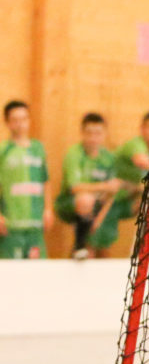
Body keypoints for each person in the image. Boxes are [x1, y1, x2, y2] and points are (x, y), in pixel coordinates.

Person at [56, 112, 127, 259]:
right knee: (85, 200)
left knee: (101, 248)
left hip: (99, 207)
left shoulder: (109, 158)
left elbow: (111, 193)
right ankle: (80, 245)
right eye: (89, 133)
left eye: (98, 133)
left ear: (104, 134)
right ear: (82, 133)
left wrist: (99, 220)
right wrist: (104, 186)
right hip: (69, 203)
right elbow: (75, 187)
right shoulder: (75, 153)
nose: (93, 138)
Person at [0, 100, 51, 259]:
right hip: (11, 226)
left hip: (35, 225)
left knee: (37, 272)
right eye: (15, 120)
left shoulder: (38, 148)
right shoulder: (3, 150)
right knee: (11, 273)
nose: (20, 124)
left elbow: (45, 180)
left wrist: (48, 209)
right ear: (7, 123)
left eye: (24, 119)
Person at [114, 111, 149, 213]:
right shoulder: (135, 144)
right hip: (114, 197)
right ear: (142, 128)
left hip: (131, 195)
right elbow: (143, 162)